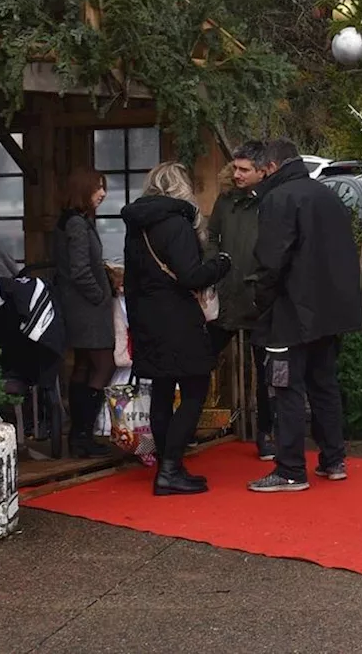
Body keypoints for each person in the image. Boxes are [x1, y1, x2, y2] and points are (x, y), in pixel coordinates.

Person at [246, 139, 362, 493]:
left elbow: (271, 260)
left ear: (269, 167)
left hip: (290, 310)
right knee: (324, 384)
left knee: (286, 388)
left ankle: (291, 468)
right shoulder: (326, 194)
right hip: (330, 309)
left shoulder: (278, 199)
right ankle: (333, 459)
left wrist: (261, 301)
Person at [122, 162, 231, 496]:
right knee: (195, 390)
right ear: (181, 188)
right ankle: (170, 468)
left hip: (146, 317)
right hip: (177, 319)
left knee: (163, 391)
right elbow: (191, 276)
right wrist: (221, 264)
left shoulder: (137, 224)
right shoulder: (176, 224)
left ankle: (169, 466)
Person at [206, 140, 275, 461]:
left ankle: (266, 434)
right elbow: (211, 236)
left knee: (266, 374)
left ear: (262, 171)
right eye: (235, 168)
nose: (237, 174)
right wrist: (214, 269)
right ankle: (194, 425)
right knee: (201, 358)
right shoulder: (225, 201)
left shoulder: (273, 202)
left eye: (244, 169)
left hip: (261, 299)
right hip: (228, 295)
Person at [53, 167, 116, 458]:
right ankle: (83, 435)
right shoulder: (77, 224)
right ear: (82, 190)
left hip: (78, 306)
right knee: (103, 366)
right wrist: (101, 295)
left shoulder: (73, 221)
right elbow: (80, 271)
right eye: (97, 188)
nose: (102, 193)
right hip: (87, 308)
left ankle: (79, 437)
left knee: (83, 366)